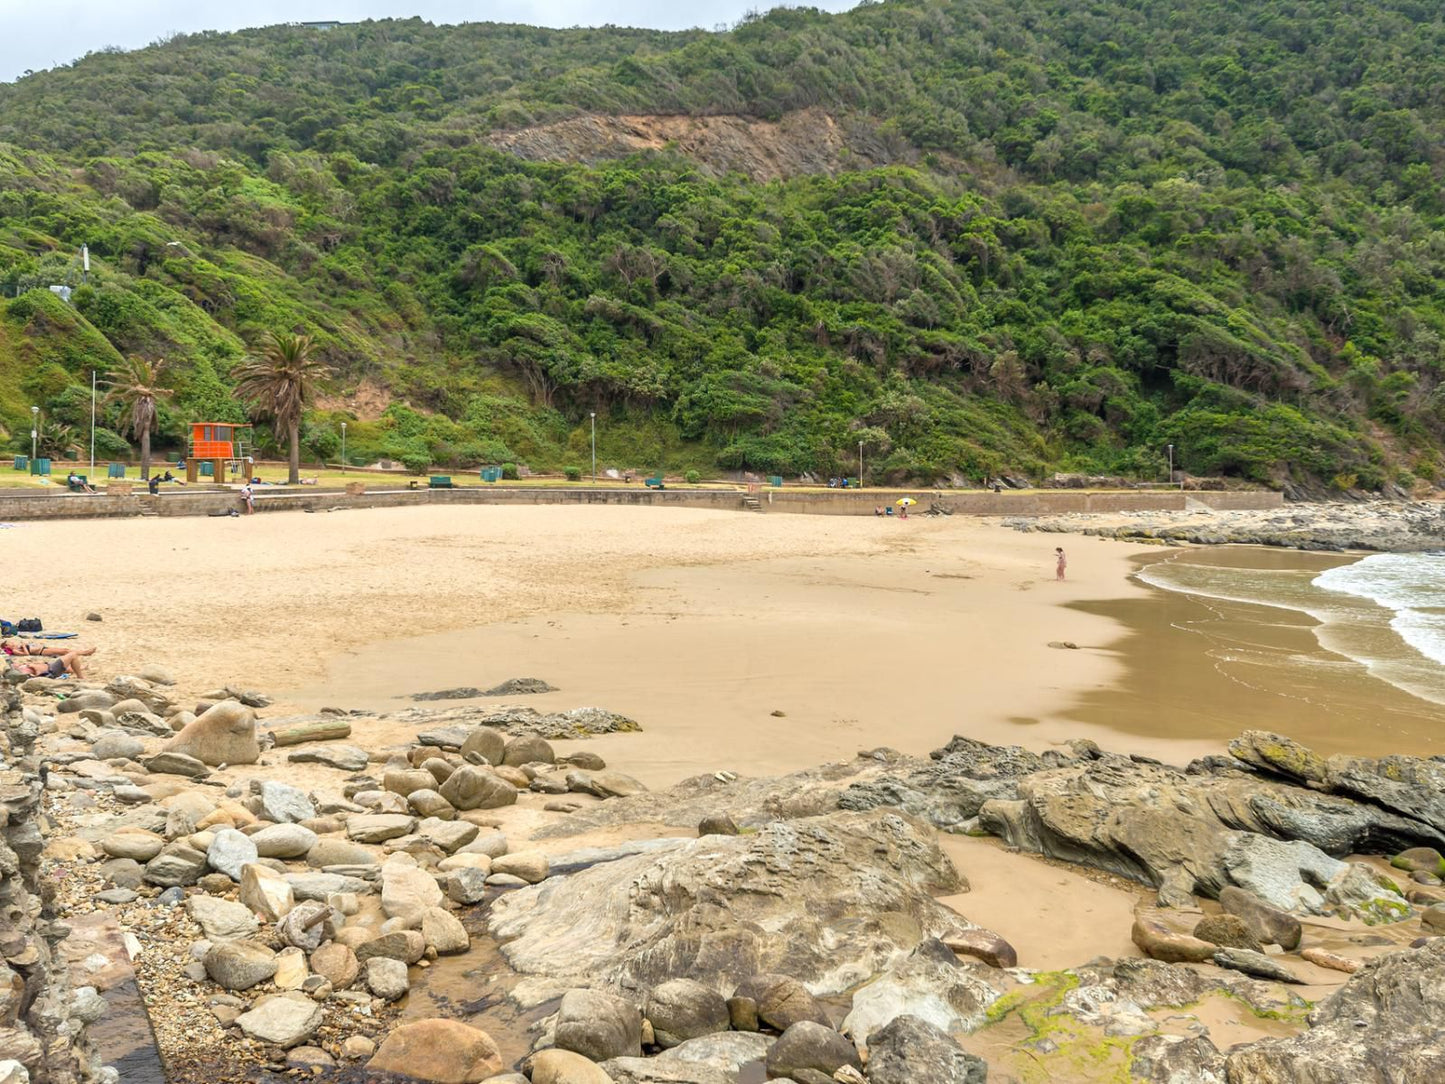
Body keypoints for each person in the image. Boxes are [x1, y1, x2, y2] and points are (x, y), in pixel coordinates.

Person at [10, 647, 93, 679]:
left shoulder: (17, 667)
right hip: (51, 670)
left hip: (49, 666)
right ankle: (80, 676)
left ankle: (82, 667)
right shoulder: (22, 672)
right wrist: (33, 666)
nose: (15, 663)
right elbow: (35, 675)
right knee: (72, 655)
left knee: (66, 655)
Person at [2, 640, 95, 660]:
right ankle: (85, 653)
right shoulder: (15, 651)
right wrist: (23, 646)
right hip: (41, 652)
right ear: (7, 646)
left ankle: (84, 652)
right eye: (10, 643)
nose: (12, 642)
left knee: (65, 649)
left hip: (43, 648)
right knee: (64, 652)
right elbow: (26, 655)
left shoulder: (16, 646)